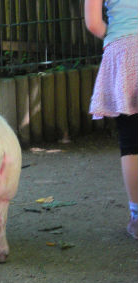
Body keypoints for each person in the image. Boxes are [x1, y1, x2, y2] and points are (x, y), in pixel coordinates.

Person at [85, 0, 138, 239]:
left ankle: (137, 217)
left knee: (131, 141)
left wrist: (116, 34)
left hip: (124, 52)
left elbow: (94, 24)